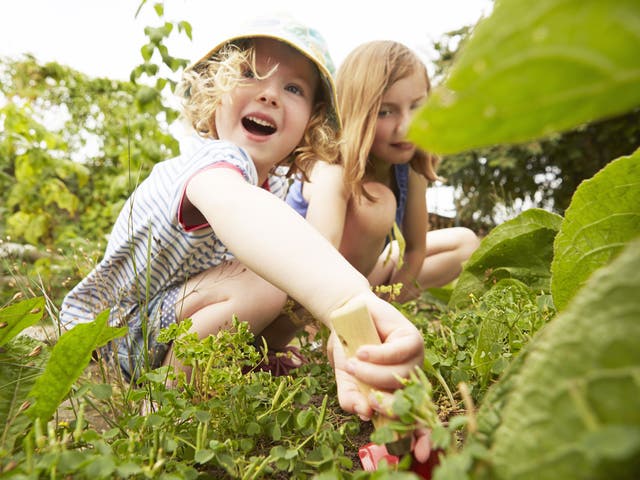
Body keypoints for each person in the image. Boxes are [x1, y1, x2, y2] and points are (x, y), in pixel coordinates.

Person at [59, 17, 424, 422]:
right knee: (269, 279)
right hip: (114, 334)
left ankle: (235, 367)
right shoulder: (215, 160)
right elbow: (235, 204)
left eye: (293, 88)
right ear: (212, 94)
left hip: (159, 328)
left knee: (284, 267)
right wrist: (346, 300)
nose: (269, 94)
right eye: (249, 73)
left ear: (311, 122)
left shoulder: (278, 189)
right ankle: (165, 404)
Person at [285, 40, 479, 304]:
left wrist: (391, 302)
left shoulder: (409, 170)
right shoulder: (330, 171)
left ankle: (373, 308)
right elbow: (320, 261)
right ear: (357, 115)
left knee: (465, 244)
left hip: (358, 278)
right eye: (386, 112)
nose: (406, 126)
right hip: (296, 288)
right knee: (377, 202)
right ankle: (333, 320)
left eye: (416, 107)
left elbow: (415, 250)